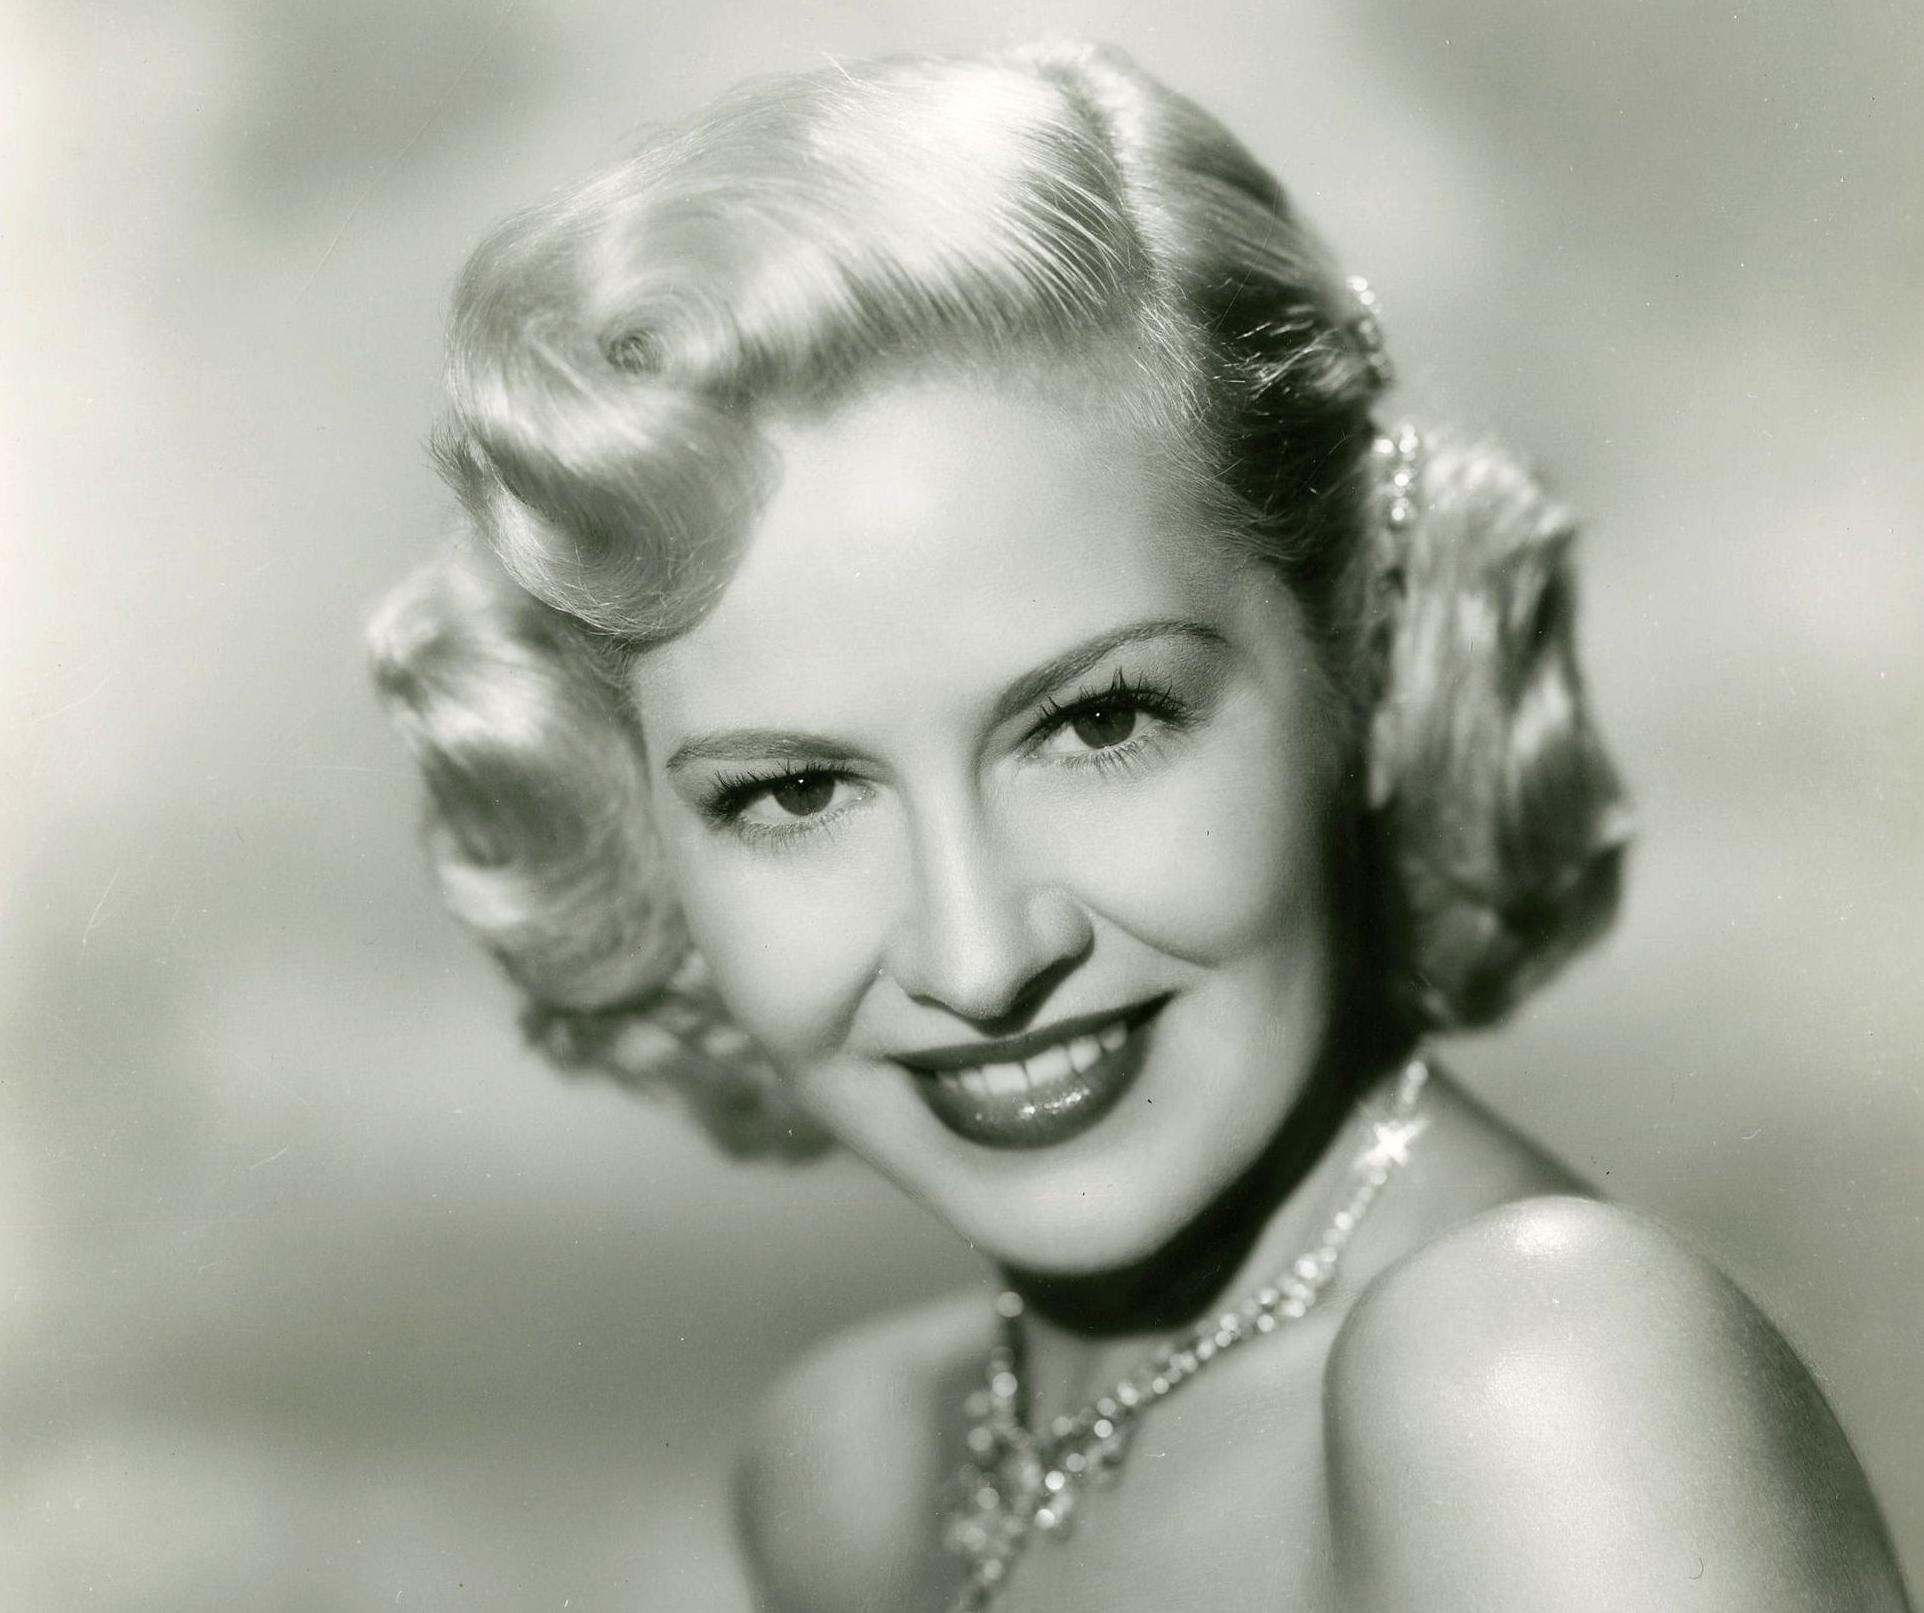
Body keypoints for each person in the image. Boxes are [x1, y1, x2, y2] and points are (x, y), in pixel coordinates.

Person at [366, 41, 1909, 1613]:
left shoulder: (1535, 1373)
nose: (978, 957)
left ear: (1368, 654)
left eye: (1100, 722)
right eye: (795, 791)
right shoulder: (853, 1473)